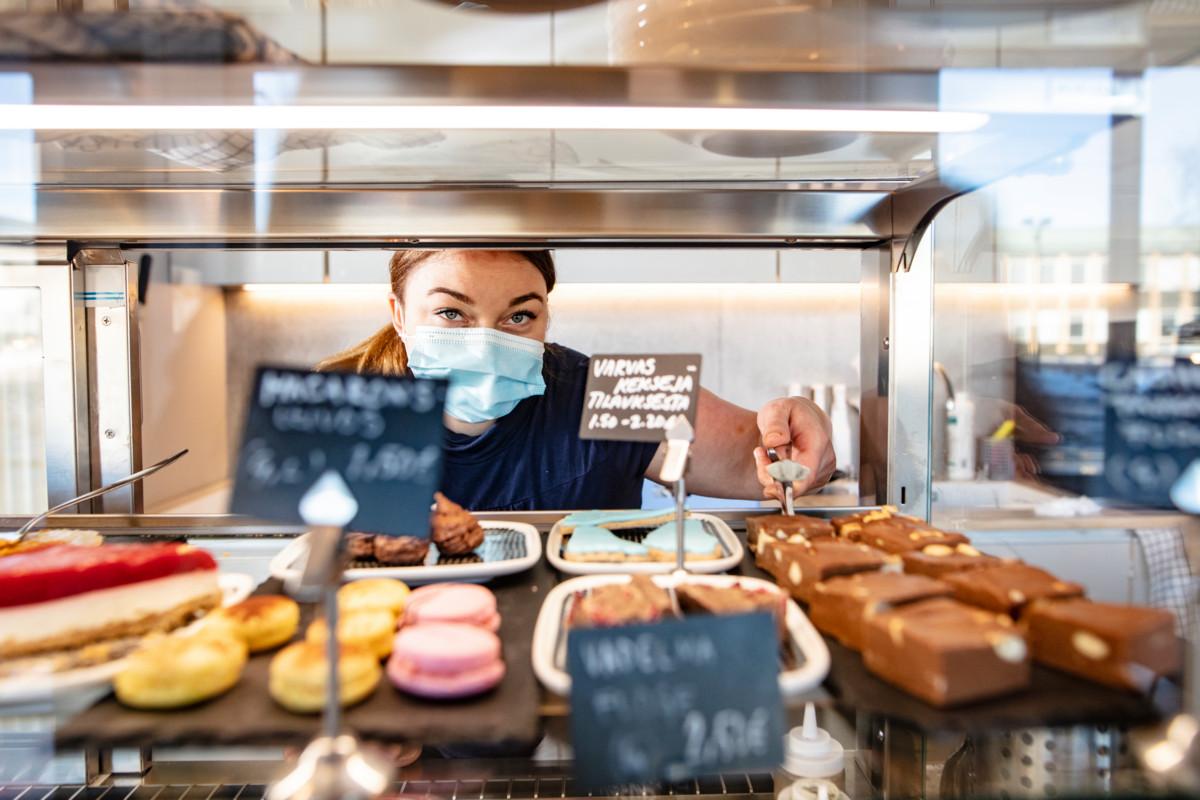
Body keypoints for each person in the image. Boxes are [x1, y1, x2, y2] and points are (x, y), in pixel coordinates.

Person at [319, 249, 836, 510]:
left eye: (519, 316)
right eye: (452, 314)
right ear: (400, 314)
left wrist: (801, 426)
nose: (487, 341)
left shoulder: (607, 389)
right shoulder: (337, 408)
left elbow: (776, 466)